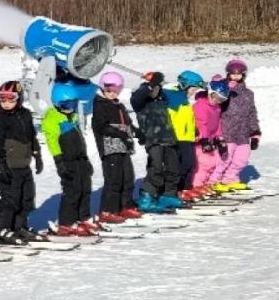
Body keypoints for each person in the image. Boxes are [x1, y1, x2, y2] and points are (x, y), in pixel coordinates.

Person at [0, 82, 46, 244]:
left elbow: (31, 136)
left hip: (23, 163)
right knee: (10, 198)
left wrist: (37, 153)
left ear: (19, 99)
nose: (6, 103)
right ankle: (0, 229)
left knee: (26, 197)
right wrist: (1, 164)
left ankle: (19, 227)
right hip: (8, 166)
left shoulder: (25, 114)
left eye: (10, 98)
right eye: (2, 98)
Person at [41, 83, 96, 236]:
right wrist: (59, 161)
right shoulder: (52, 119)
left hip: (80, 159)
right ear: (57, 103)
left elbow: (80, 140)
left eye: (73, 104)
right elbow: (52, 142)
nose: (71, 108)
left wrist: (86, 159)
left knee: (85, 188)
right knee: (72, 191)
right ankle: (66, 222)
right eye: (67, 104)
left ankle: (83, 218)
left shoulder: (72, 116)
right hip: (67, 160)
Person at [130, 72, 184, 212]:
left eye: (158, 87)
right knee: (156, 168)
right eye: (153, 87)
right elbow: (139, 96)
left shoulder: (161, 99)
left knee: (173, 167)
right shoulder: (139, 101)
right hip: (153, 139)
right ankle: (147, 195)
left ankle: (169, 194)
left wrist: (159, 87)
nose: (156, 90)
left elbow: (173, 96)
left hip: (168, 138)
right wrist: (150, 85)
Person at [90, 72, 139, 222]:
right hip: (110, 147)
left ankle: (125, 206)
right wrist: (119, 133)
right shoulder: (100, 104)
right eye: (107, 89)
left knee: (128, 177)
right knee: (114, 179)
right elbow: (100, 126)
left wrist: (137, 132)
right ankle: (108, 210)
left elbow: (127, 124)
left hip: (123, 146)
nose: (111, 92)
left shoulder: (118, 105)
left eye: (114, 89)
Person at [214, 58, 262, 190]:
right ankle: (213, 182)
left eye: (238, 74)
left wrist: (255, 132)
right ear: (228, 74)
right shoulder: (223, 89)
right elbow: (213, 102)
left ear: (243, 75)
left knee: (241, 159)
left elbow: (252, 113)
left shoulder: (248, 94)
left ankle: (230, 179)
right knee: (224, 159)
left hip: (243, 133)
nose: (235, 76)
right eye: (233, 74)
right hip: (227, 131)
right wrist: (217, 84)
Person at [165, 70, 206, 199]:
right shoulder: (173, 96)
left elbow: (186, 118)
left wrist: (194, 129)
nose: (194, 92)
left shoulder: (184, 100)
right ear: (185, 85)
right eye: (193, 89)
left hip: (187, 137)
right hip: (177, 137)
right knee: (181, 165)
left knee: (191, 164)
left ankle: (186, 188)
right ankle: (176, 189)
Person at [192, 77, 229, 192]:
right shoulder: (200, 105)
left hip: (211, 140)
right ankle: (196, 186)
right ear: (211, 93)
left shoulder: (216, 108)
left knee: (213, 162)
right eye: (217, 97)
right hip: (200, 141)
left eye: (222, 100)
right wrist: (204, 140)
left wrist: (219, 138)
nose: (218, 101)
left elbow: (217, 124)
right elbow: (200, 123)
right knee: (204, 165)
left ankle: (205, 185)